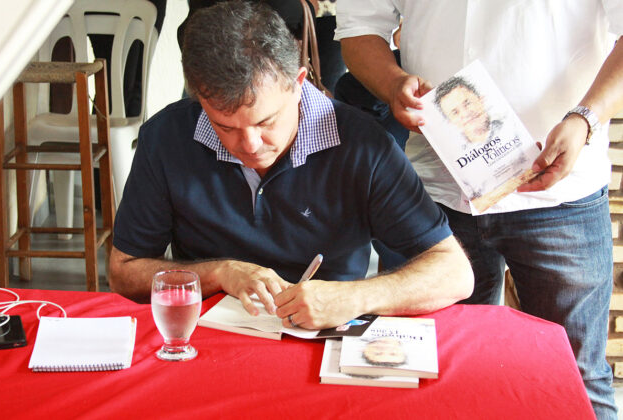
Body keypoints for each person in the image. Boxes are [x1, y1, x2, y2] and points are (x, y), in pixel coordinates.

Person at [109, 1, 473, 331]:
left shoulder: (362, 145)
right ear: (199, 97)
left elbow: (454, 273)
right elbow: (124, 273)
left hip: (323, 343)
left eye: (266, 122)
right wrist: (220, 273)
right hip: (209, 340)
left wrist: (354, 297)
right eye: (225, 127)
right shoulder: (167, 137)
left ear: (298, 82)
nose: (249, 146)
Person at [335, 1, 623, 418]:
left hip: (560, 191)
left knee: (576, 376)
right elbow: (359, 27)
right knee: (418, 371)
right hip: (435, 191)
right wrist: (393, 81)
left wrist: (585, 119)